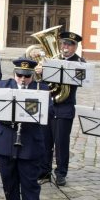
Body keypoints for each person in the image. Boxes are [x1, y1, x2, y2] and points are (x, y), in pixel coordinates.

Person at [0, 58, 49, 200]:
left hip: (30, 143)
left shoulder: (41, 89)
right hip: (6, 140)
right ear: (14, 74)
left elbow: (49, 111)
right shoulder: (3, 85)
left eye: (27, 76)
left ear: (33, 75)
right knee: (9, 183)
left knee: (30, 186)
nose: (22, 79)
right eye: (19, 75)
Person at [40, 31, 83, 186]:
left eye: (69, 45)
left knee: (61, 143)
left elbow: (79, 81)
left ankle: (61, 173)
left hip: (65, 106)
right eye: (64, 44)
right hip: (49, 104)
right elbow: (43, 82)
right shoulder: (52, 59)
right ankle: (44, 171)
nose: (65, 47)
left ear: (75, 47)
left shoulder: (80, 63)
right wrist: (41, 72)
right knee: (45, 141)